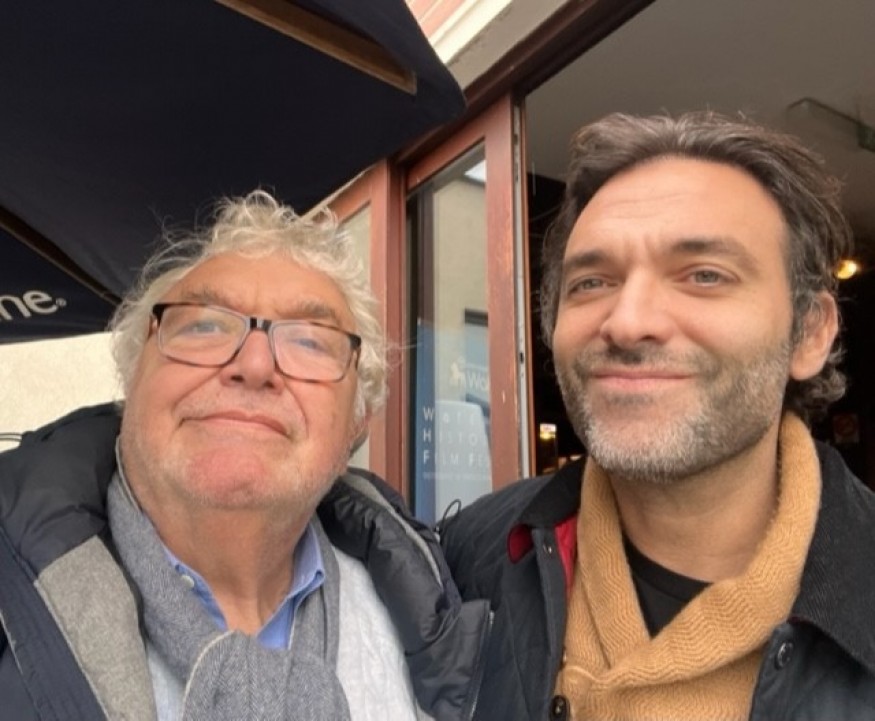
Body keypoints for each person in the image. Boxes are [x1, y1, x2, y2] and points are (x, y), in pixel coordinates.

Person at [440, 112, 875, 720]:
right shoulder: (468, 558)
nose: (628, 321)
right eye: (592, 282)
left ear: (810, 332)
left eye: (704, 276)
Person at [0, 191, 490, 721]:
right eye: (205, 326)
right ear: (133, 375)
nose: (254, 365)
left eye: (310, 341)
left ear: (357, 420)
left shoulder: (425, 628)